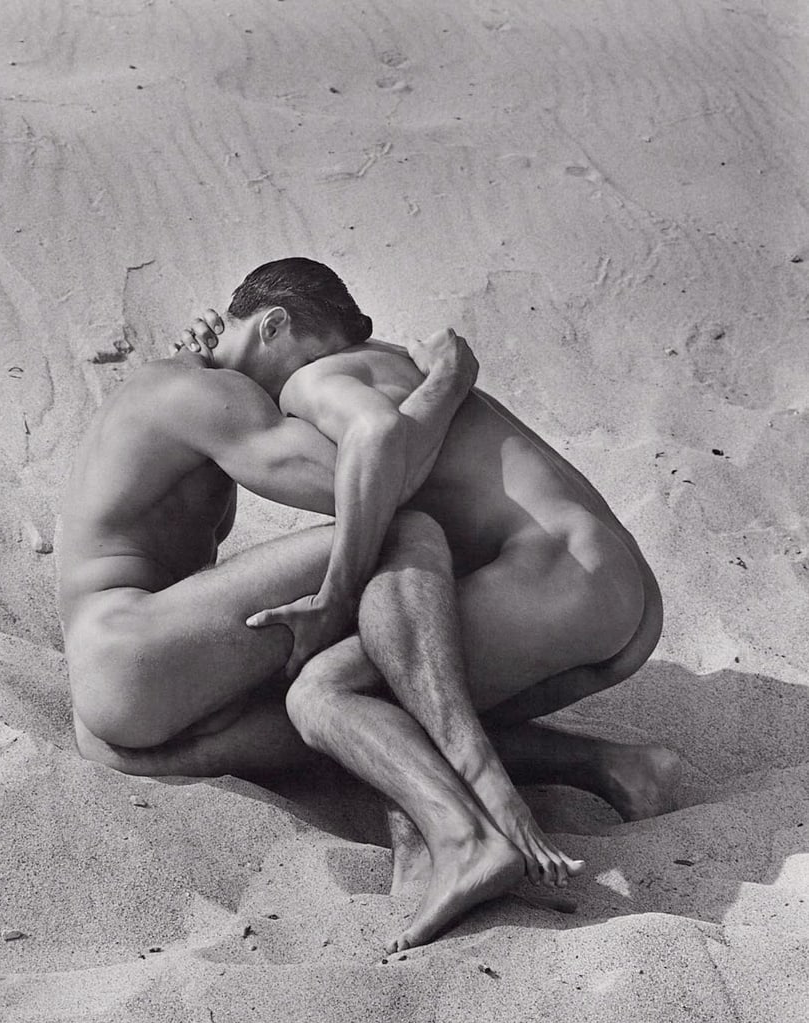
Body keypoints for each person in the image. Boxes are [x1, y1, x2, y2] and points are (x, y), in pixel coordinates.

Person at [61, 258, 679, 950]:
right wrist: (447, 382)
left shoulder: (182, 381)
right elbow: (378, 472)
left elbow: (373, 457)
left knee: (355, 682)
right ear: (272, 326)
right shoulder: (218, 391)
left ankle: (527, 801)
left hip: (120, 674)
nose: (307, 384)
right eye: (312, 357)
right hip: (132, 650)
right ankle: (460, 828)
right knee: (400, 553)